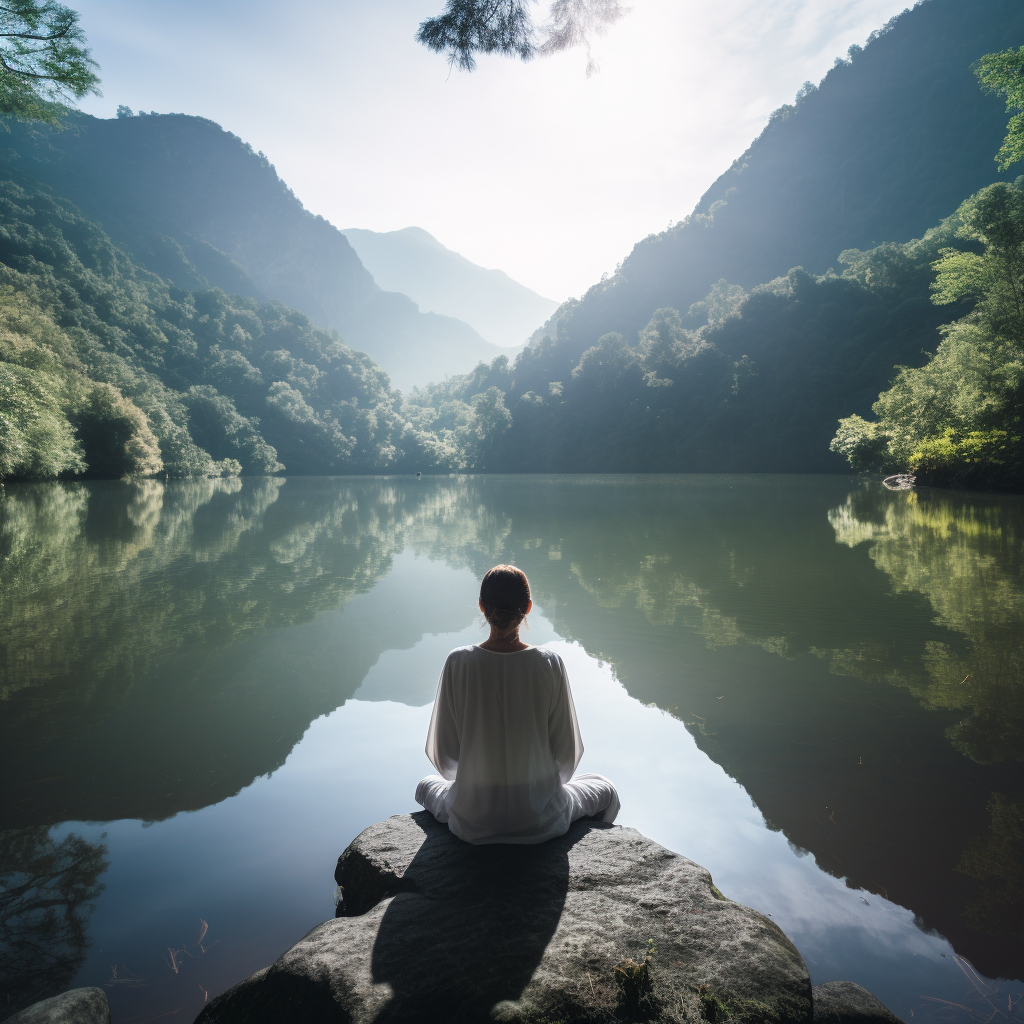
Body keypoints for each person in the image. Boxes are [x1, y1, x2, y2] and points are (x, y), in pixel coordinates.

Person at [415, 564, 620, 844]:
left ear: (481, 606)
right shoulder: (549, 662)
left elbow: (446, 759)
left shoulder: (458, 661)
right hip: (541, 820)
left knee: (425, 785)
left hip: (471, 820)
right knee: (605, 787)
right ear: (528, 607)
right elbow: (566, 758)